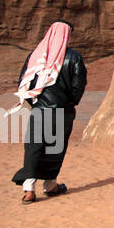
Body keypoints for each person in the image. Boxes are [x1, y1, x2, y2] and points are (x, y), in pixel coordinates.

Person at [10, 21, 87, 204]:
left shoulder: (36, 56)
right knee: (55, 148)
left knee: (34, 147)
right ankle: (50, 185)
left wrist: (36, 103)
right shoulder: (74, 57)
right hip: (63, 111)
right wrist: (70, 103)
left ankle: (29, 190)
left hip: (39, 110)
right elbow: (78, 86)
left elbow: (24, 83)